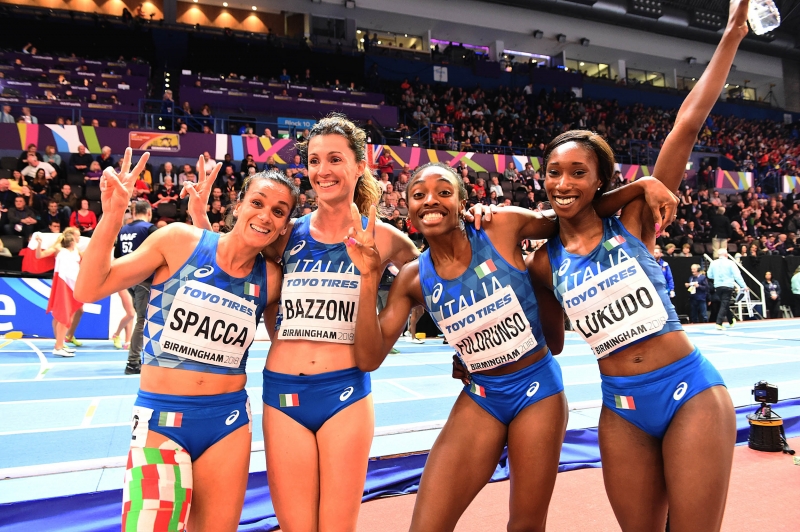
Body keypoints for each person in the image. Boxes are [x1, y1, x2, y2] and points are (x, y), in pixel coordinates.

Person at [344, 162, 677, 531]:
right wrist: (368, 278)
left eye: (443, 192)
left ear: (462, 202)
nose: (430, 200)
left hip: (538, 391)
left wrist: (638, 187)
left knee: (524, 527)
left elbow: (570, 214)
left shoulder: (501, 226)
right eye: (418, 194)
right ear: (408, 210)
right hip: (483, 395)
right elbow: (369, 358)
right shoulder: (412, 278)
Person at [525, 4, 746, 529]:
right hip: (619, 408)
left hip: (689, 392)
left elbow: (686, 126)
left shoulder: (634, 218)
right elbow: (551, 344)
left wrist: (733, 32)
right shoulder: (541, 263)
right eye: (554, 172)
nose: (563, 183)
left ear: (600, 180)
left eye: (578, 172)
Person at [190, 113, 420, 531]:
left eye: (334, 159)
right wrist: (202, 221)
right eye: (314, 161)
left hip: (345, 395)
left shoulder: (386, 238)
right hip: (283, 395)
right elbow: (233, 267)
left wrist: (475, 225)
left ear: (360, 164)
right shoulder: (285, 234)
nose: (322, 171)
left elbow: (439, 281)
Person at [74, 149, 297, 531]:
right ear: (238, 204)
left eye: (278, 211)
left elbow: (289, 346)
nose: (265, 215)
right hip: (161, 419)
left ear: (284, 226)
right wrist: (112, 216)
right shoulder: (177, 241)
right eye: (257, 202)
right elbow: (89, 288)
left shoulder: (273, 278)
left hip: (226, 424)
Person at [113, 201, 157, 364]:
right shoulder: (149, 229)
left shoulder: (123, 230)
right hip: (144, 280)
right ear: (148, 212)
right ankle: (133, 362)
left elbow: (117, 256)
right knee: (142, 320)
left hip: (128, 281)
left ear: (132, 213)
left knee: (146, 318)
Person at [42, 228, 84, 357]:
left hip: (69, 286)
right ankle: (58, 346)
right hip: (65, 286)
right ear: (72, 242)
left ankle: (59, 344)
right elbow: (67, 274)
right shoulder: (63, 253)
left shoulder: (72, 252)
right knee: (63, 317)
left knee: (68, 316)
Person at [706, 248, 747, 330]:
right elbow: (737, 276)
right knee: (724, 304)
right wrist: (743, 286)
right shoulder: (730, 263)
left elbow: (709, 275)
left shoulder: (713, 263)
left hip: (718, 286)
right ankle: (719, 323)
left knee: (724, 304)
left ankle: (731, 320)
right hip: (727, 285)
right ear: (726, 254)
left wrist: (717, 277)